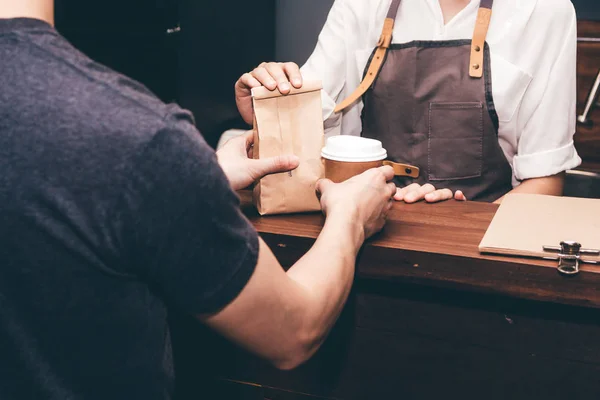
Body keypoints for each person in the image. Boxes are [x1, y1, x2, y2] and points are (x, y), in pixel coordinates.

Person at [0, 1, 398, 399]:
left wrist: (200, 176)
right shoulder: (137, 137)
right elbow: (294, 331)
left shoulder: (132, 147)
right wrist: (350, 216)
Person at [236, 0, 582, 204]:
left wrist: (465, 229)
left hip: (485, 244)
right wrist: (270, 113)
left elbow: (545, 181)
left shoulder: (544, 10)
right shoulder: (362, 5)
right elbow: (305, 133)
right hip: (358, 232)